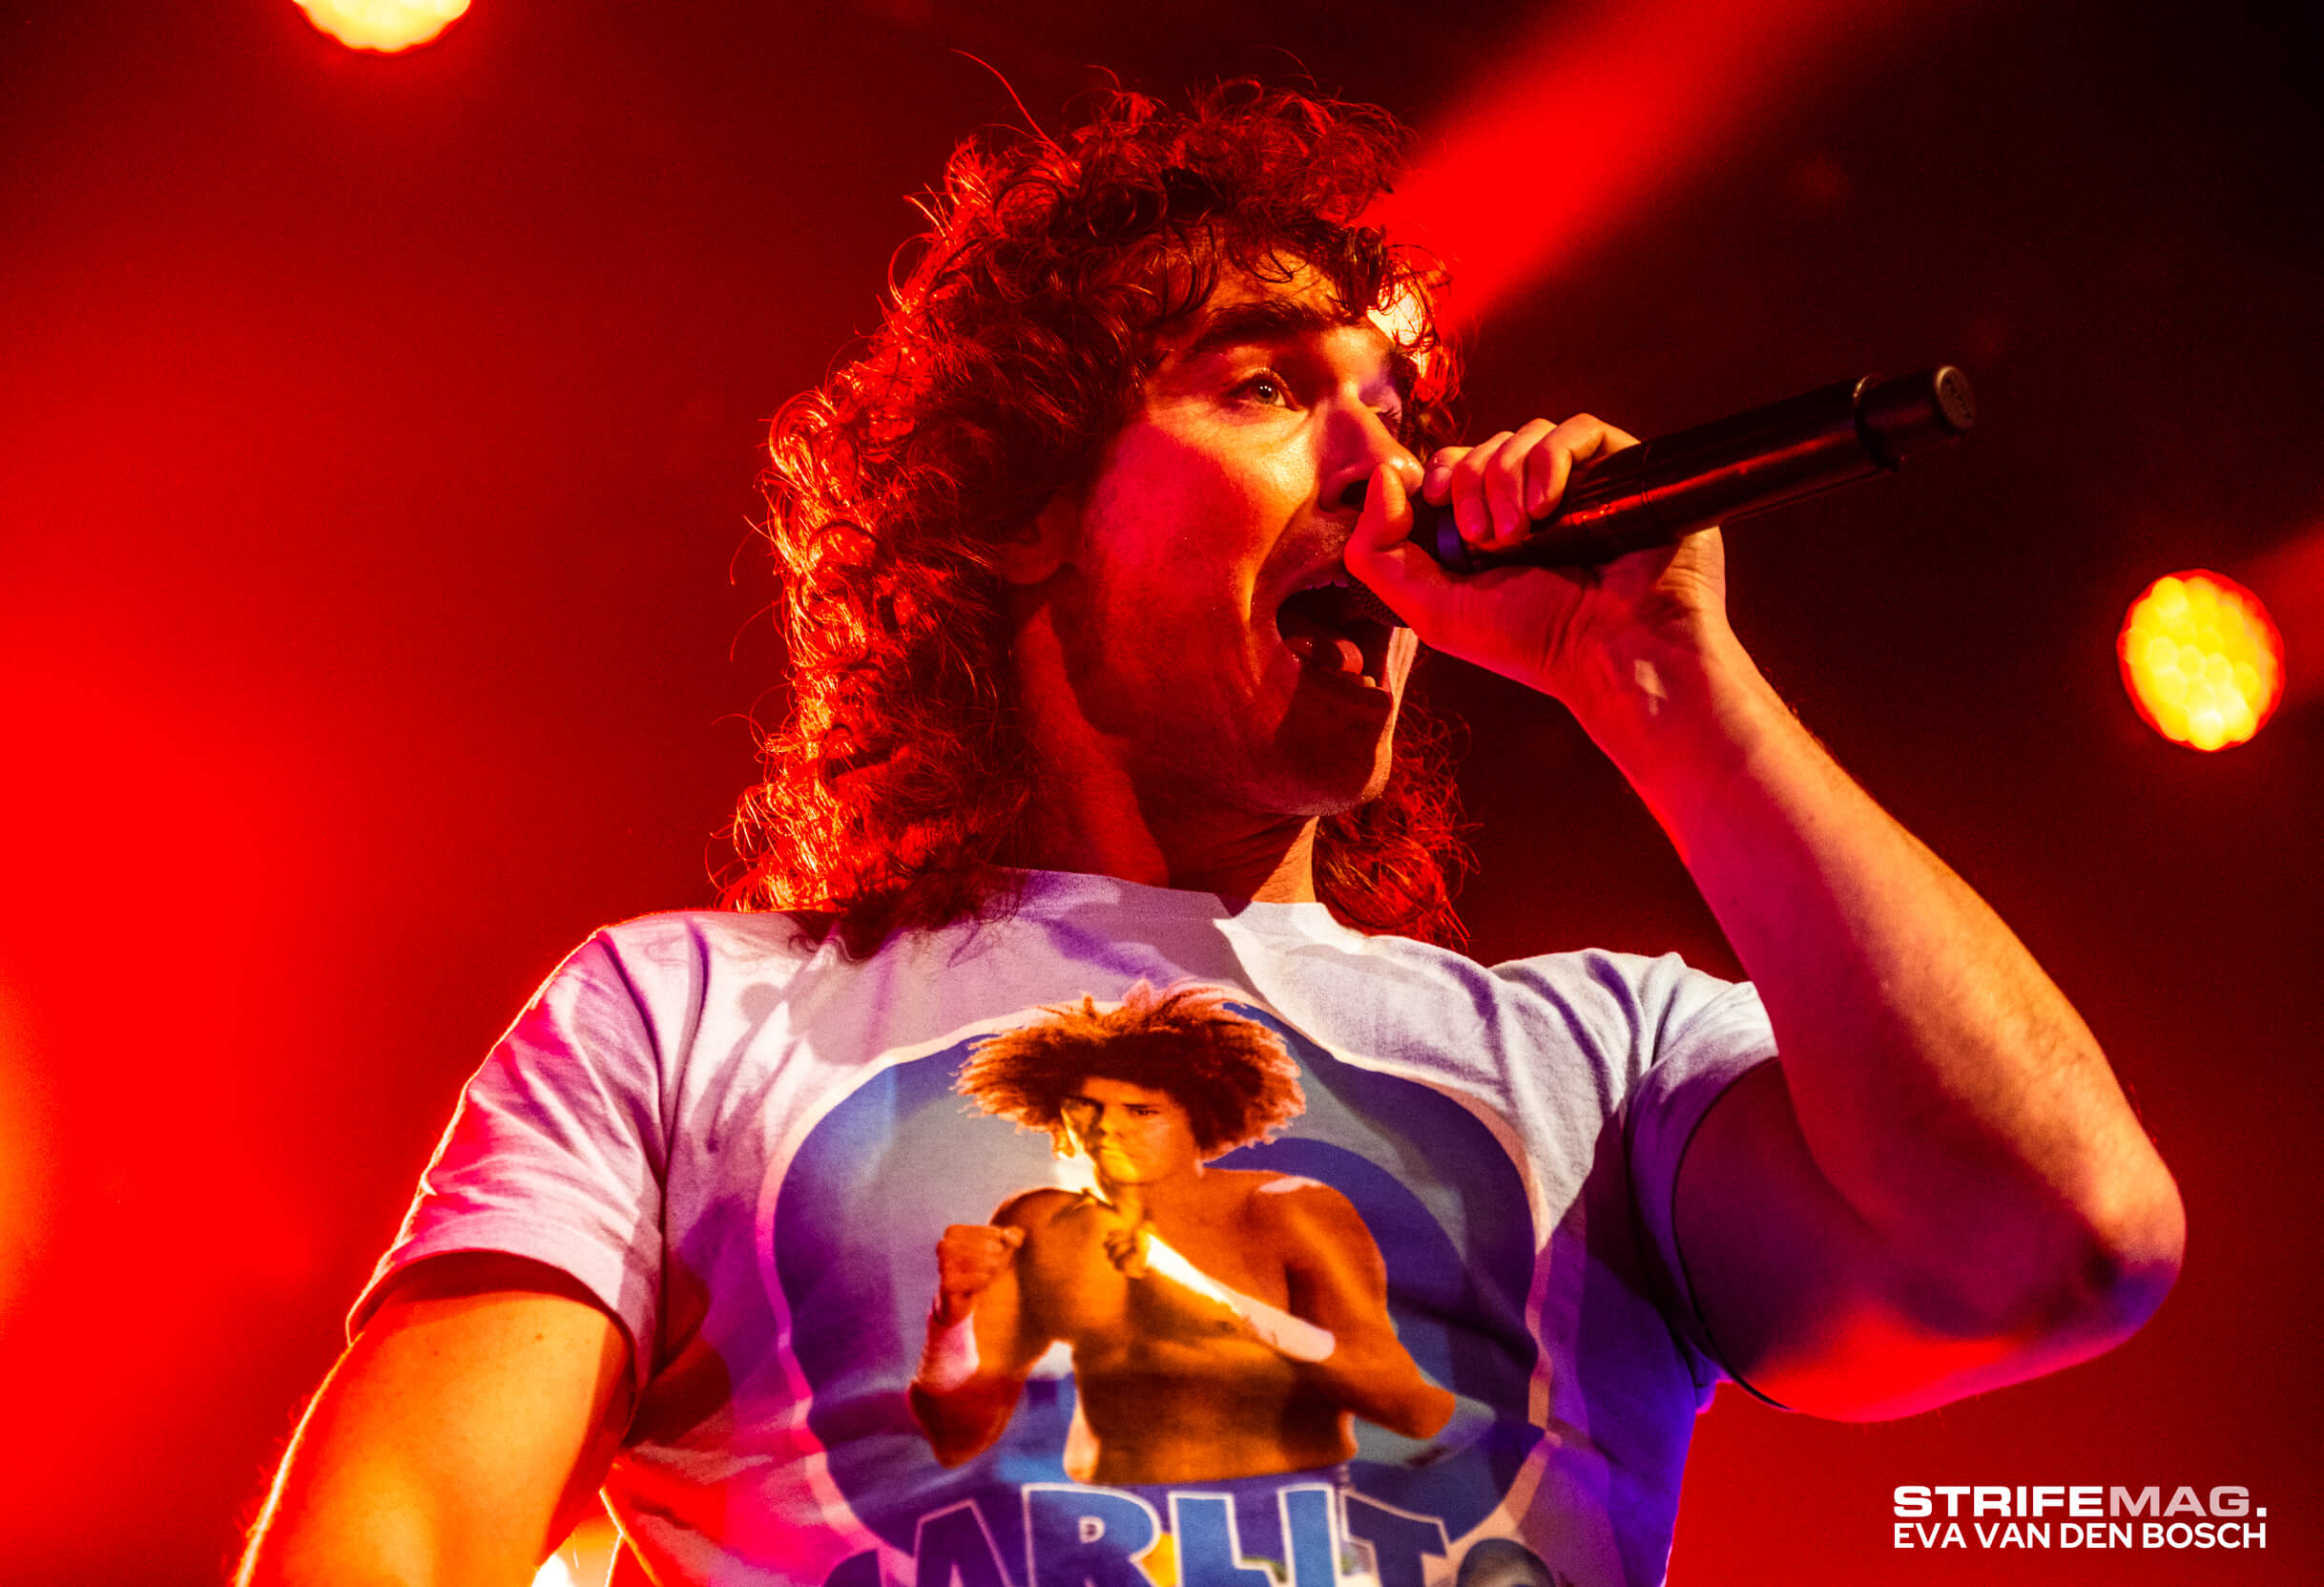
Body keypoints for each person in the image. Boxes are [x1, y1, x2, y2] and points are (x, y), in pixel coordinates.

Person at [236, 83, 2185, 1587]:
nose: (1381, 470)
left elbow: (2061, 1240)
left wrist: (1666, 684)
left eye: (1398, 407)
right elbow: (391, 1538)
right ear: (1023, 509)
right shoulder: (688, 1022)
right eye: (1265, 387)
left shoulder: (1597, 1065)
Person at [911, 982, 1459, 1484]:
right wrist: (950, 1319)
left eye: (1141, 1110)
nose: (1108, 1127)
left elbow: (1410, 1411)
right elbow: (958, 1438)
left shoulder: (1284, 1211)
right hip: (1115, 1533)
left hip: (1283, 1528)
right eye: (1087, 1107)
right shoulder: (1039, 1222)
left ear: (1198, 1115)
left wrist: (1209, 1297)